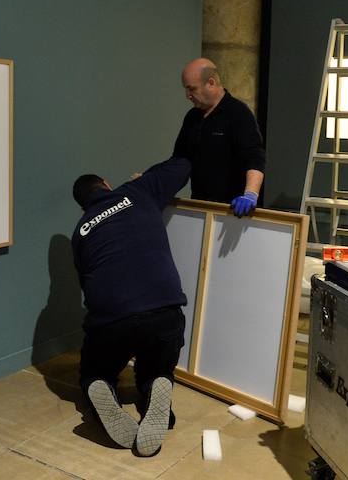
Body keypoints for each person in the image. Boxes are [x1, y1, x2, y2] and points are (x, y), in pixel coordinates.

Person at [71, 157, 191, 456]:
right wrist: (145, 177)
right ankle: (157, 385)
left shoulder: (82, 230)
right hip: (164, 310)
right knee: (155, 366)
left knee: (94, 372)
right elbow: (183, 165)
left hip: (113, 320)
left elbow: (88, 285)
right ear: (106, 184)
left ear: (83, 205)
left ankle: (100, 384)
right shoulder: (136, 192)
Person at [173, 58, 266, 217]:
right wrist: (153, 180)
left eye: (191, 89)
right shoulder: (192, 117)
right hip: (200, 207)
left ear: (211, 83)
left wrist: (250, 194)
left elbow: (255, 158)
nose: (187, 95)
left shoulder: (238, 114)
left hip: (233, 210)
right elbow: (179, 160)